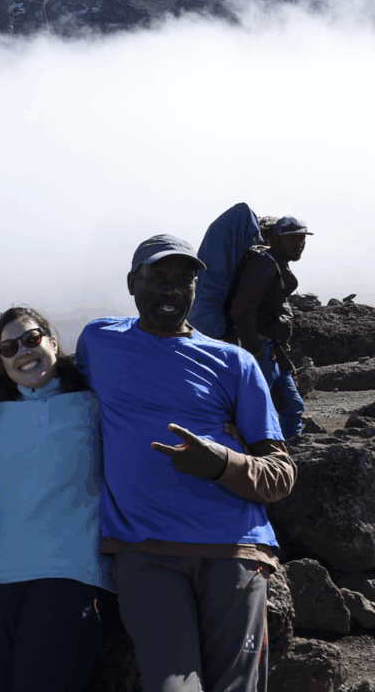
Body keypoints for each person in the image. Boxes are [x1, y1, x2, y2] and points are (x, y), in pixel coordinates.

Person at [75, 236, 297, 692]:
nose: (172, 290)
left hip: (234, 548)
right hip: (146, 551)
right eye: (158, 278)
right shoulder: (99, 340)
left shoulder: (234, 363)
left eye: (184, 280)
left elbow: (280, 475)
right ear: (132, 283)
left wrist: (222, 463)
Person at [0, 306, 116, 692]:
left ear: (53, 342)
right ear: (1, 361)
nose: (23, 351)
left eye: (31, 339)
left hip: (72, 574)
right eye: (9, 348)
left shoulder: (96, 406)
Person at [229, 215, 312, 438]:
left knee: (292, 406)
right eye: (292, 238)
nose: (299, 243)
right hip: (260, 349)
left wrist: (284, 360)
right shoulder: (263, 263)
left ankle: (290, 452)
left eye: (302, 238)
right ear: (275, 239)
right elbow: (242, 309)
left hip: (271, 350)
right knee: (252, 408)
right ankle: (246, 453)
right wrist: (254, 348)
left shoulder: (275, 262)